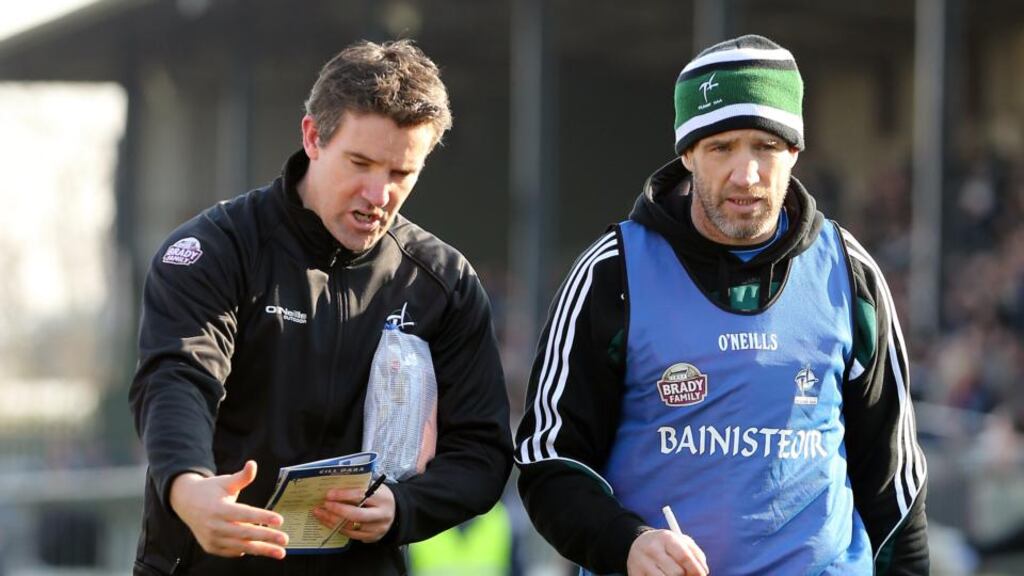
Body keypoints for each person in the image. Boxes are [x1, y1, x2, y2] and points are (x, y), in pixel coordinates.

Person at [514, 34, 929, 575]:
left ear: (795, 152)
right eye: (721, 147)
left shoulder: (849, 273)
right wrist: (627, 543)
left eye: (765, 147)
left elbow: (893, 481)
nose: (746, 174)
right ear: (687, 154)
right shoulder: (612, 272)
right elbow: (549, 460)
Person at [129, 39, 512, 576]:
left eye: (402, 173)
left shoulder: (443, 283)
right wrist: (188, 486)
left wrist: (405, 509)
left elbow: (482, 451)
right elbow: (176, 378)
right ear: (313, 136)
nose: (378, 193)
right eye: (360, 163)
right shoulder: (216, 249)